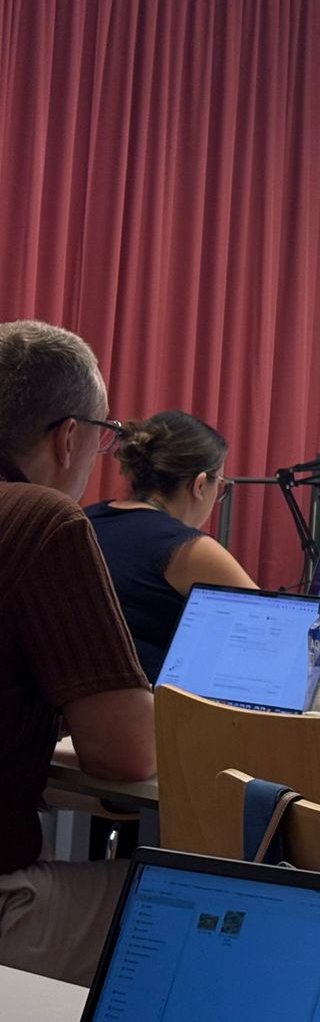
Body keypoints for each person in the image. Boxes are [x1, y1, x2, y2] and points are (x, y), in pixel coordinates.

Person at [0, 320, 154, 986]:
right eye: (104, 433)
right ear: (69, 437)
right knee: (224, 908)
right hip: (5, 906)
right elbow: (128, 755)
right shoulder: (43, 520)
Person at [87, 410, 257, 682]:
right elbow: (280, 627)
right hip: (151, 704)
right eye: (220, 486)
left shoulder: (86, 519)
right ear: (199, 485)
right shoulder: (188, 549)